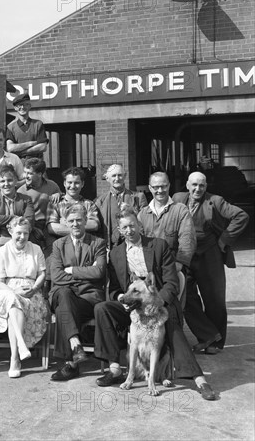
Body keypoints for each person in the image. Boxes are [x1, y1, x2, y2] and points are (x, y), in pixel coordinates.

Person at [93, 207, 216, 401]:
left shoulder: (159, 246)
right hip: (133, 304)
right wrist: (120, 299)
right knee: (102, 309)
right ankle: (115, 368)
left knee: (172, 327)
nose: (129, 230)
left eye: (132, 225)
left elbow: (172, 282)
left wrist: (158, 303)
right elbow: (115, 288)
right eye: (124, 227)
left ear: (139, 225)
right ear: (119, 229)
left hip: (159, 303)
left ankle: (199, 380)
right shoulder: (116, 254)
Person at [172, 171, 249, 353]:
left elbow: (241, 216)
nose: (198, 189)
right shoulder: (177, 198)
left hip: (209, 254)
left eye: (202, 185)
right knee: (184, 296)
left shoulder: (216, 201)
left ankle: (216, 344)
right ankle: (208, 336)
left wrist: (224, 240)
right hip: (185, 254)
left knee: (214, 299)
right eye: (194, 185)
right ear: (187, 185)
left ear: (206, 186)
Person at [49, 203, 107, 382]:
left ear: (85, 221)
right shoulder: (58, 245)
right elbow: (57, 276)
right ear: (66, 222)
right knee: (64, 293)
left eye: (79, 220)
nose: (75, 224)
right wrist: (86, 273)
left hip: (87, 299)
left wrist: (72, 270)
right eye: (71, 221)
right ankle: (75, 344)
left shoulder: (98, 243)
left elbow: (99, 272)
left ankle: (71, 364)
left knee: (63, 308)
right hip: (63, 293)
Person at [0, 217, 48, 378]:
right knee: (11, 300)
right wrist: (14, 292)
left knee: (14, 305)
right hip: (5, 291)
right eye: (18, 233)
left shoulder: (36, 249)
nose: (22, 237)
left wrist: (34, 288)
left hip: (31, 293)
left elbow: (42, 274)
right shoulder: (1, 252)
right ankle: (19, 348)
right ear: (10, 231)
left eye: (26, 233)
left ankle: (15, 357)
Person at [137, 172, 196, 275]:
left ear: (168, 186)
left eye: (163, 186)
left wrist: (180, 263)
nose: (160, 191)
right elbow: (137, 241)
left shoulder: (180, 210)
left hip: (173, 268)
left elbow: (187, 239)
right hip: (148, 270)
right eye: (156, 187)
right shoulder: (142, 214)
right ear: (150, 188)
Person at [94, 164, 147, 250]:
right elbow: (98, 228)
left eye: (120, 175)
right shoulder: (100, 201)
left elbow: (145, 224)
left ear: (125, 176)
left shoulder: (138, 198)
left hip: (135, 246)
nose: (117, 179)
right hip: (110, 248)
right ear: (107, 178)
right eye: (114, 176)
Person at [0, 163, 35, 253]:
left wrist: (0, 219)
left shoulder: (26, 200)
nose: (6, 184)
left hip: (21, 243)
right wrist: (14, 218)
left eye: (10, 180)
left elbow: (29, 221)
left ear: (16, 181)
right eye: (2, 181)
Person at [46, 167, 100, 243]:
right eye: (70, 182)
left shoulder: (89, 204)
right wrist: (80, 226)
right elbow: (52, 228)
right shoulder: (55, 203)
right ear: (64, 183)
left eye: (76, 183)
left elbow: (94, 225)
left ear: (82, 184)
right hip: (62, 247)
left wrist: (65, 223)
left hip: (85, 246)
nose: (73, 186)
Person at [17, 158, 61, 249]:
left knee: (55, 248)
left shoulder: (52, 185)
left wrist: (59, 194)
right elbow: (19, 216)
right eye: (25, 172)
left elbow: (62, 204)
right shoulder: (21, 192)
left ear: (40, 174)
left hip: (50, 226)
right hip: (31, 228)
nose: (26, 176)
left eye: (30, 173)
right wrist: (32, 228)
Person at [6, 93, 49, 160]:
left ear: (30, 106)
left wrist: (23, 152)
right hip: (18, 166)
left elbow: (43, 147)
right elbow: (10, 148)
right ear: (15, 108)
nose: (23, 107)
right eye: (20, 105)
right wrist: (31, 143)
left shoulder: (38, 124)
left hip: (36, 166)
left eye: (26, 104)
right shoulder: (10, 127)